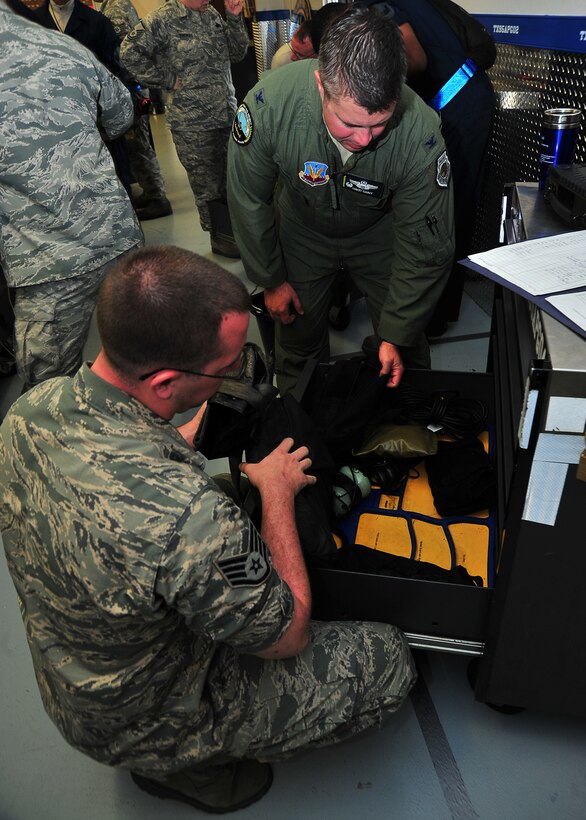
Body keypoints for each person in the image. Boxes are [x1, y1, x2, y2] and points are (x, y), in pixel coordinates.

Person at [0, 245, 416, 814]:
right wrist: (275, 493)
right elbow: (289, 634)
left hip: (78, 684)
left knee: (228, 513)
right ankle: (187, 768)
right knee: (388, 659)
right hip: (146, 720)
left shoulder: (32, 409)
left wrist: (185, 437)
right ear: (167, 381)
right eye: (223, 371)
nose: (232, 379)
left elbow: (123, 473)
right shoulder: (189, 520)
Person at [228, 7, 454, 395]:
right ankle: (303, 425)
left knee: (407, 347)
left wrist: (396, 335)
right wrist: (271, 278)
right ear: (321, 85)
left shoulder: (420, 134)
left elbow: (427, 245)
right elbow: (248, 198)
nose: (365, 140)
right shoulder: (269, 107)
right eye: (349, 124)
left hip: (380, 232)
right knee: (297, 340)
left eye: (379, 124)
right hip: (301, 228)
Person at [0, 0, 143, 390]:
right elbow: (120, 115)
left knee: (49, 396)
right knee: (143, 366)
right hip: (116, 234)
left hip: (47, 263)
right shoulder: (62, 45)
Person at [359, 0, 496, 334]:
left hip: (458, 103)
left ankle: (434, 314)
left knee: (448, 207)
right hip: (457, 100)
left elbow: (413, 58)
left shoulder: (372, 2)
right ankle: (436, 308)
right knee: (447, 205)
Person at [121, 0, 250, 258]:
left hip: (225, 112)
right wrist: (166, 80)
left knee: (232, 179)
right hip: (192, 121)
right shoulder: (162, 18)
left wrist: (235, 19)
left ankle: (236, 232)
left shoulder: (211, 14)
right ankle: (220, 237)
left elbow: (236, 53)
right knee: (207, 185)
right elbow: (128, 52)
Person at [96, 0, 173, 221]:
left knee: (138, 144)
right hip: (128, 87)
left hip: (130, 88)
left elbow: (123, 55)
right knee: (136, 145)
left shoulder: (116, 9)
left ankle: (158, 198)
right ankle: (150, 192)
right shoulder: (111, 5)